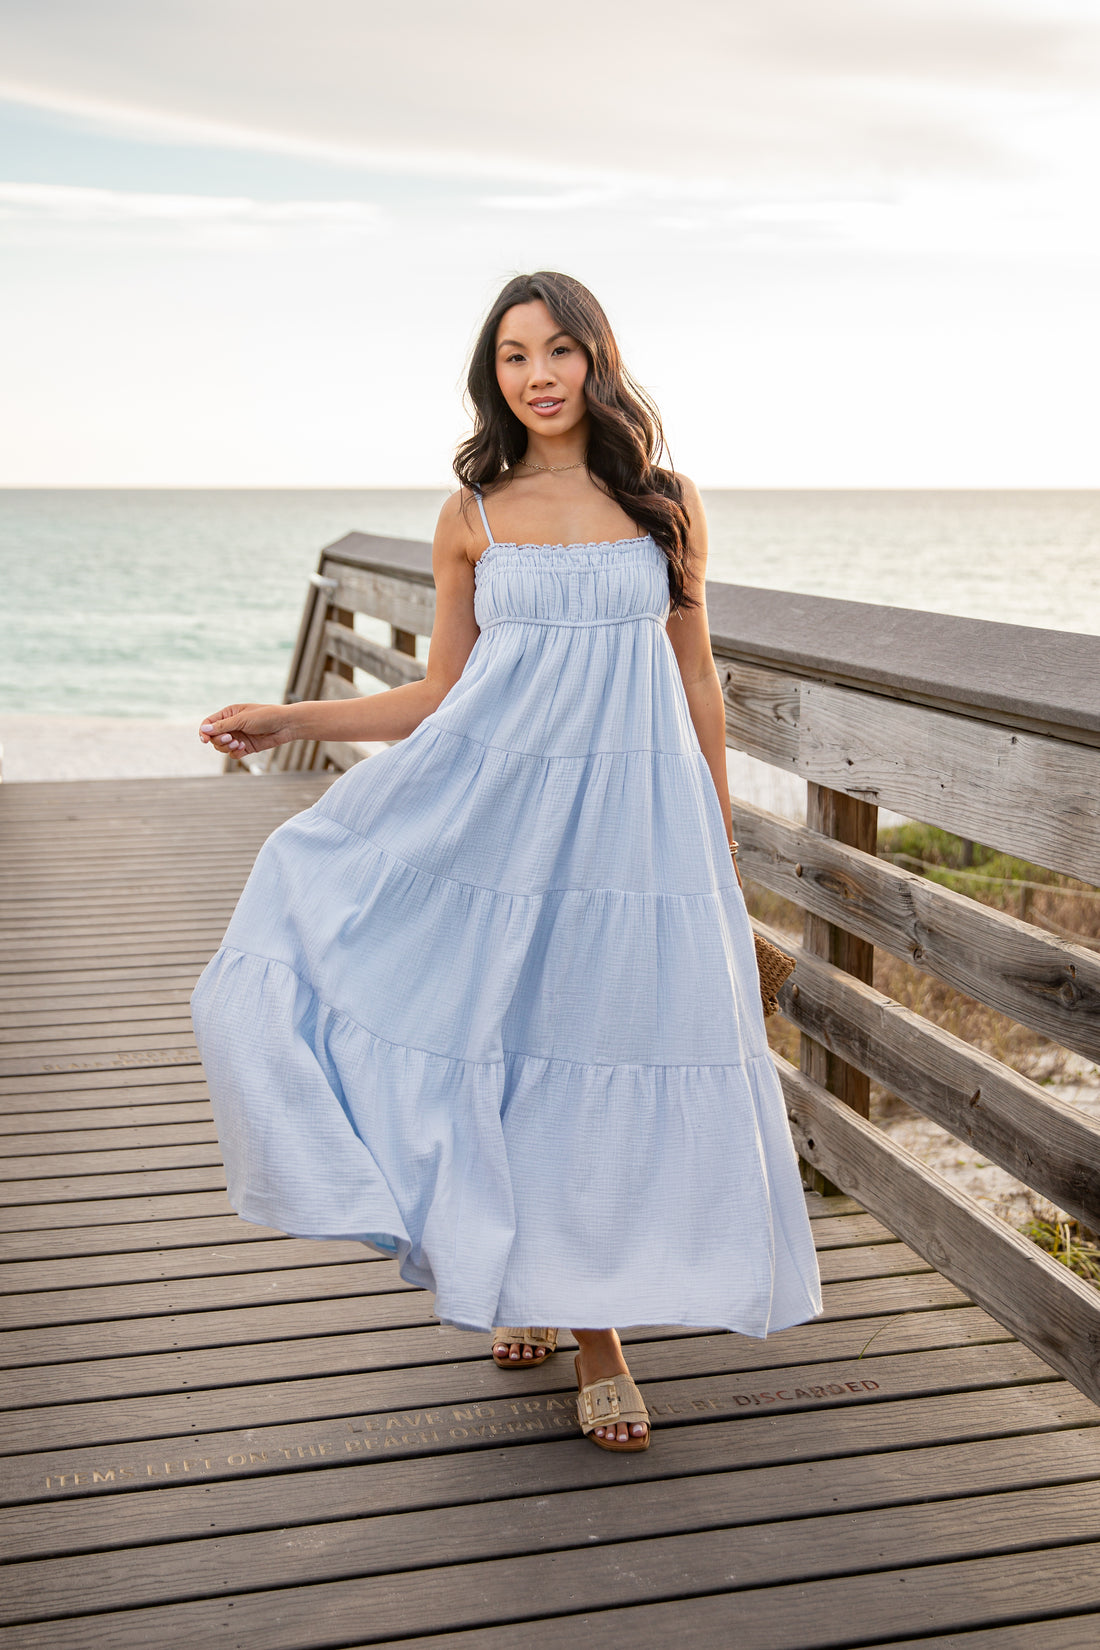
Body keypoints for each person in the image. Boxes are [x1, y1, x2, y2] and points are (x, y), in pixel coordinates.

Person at [191, 270, 823, 1454]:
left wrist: (713, 829)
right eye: (513, 355)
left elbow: (695, 677)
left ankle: (559, 1302)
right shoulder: (471, 515)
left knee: (591, 1054)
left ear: (596, 358)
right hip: (499, 822)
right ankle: (583, 1328)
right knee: (510, 1050)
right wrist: (290, 720)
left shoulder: (665, 503)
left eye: (558, 350)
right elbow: (439, 694)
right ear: (493, 375)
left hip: (632, 831)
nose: (537, 375)